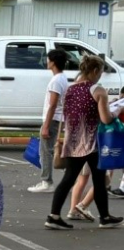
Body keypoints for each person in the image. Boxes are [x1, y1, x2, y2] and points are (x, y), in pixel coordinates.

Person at [45, 54, 123, 229]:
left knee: (69, 178)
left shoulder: (71, 90)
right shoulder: (97, 90)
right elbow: (105, 119)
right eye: (101, 72)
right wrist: (117, 110)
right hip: (91, 142)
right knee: (98, 179)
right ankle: (104, 217)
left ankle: (54, 215)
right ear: (95, 71)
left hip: (73, 140)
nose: (100, 76)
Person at [28, 49, 69, 193]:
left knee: (46, 151)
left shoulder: (56, 81)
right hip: (57, 119)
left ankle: (47, 182)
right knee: (49, 150)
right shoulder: (62, 78)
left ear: (52, 62)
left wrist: (45, 126)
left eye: (48, 59)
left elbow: (53, 104)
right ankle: (50, 180)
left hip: (52, 120)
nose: (47, 62)